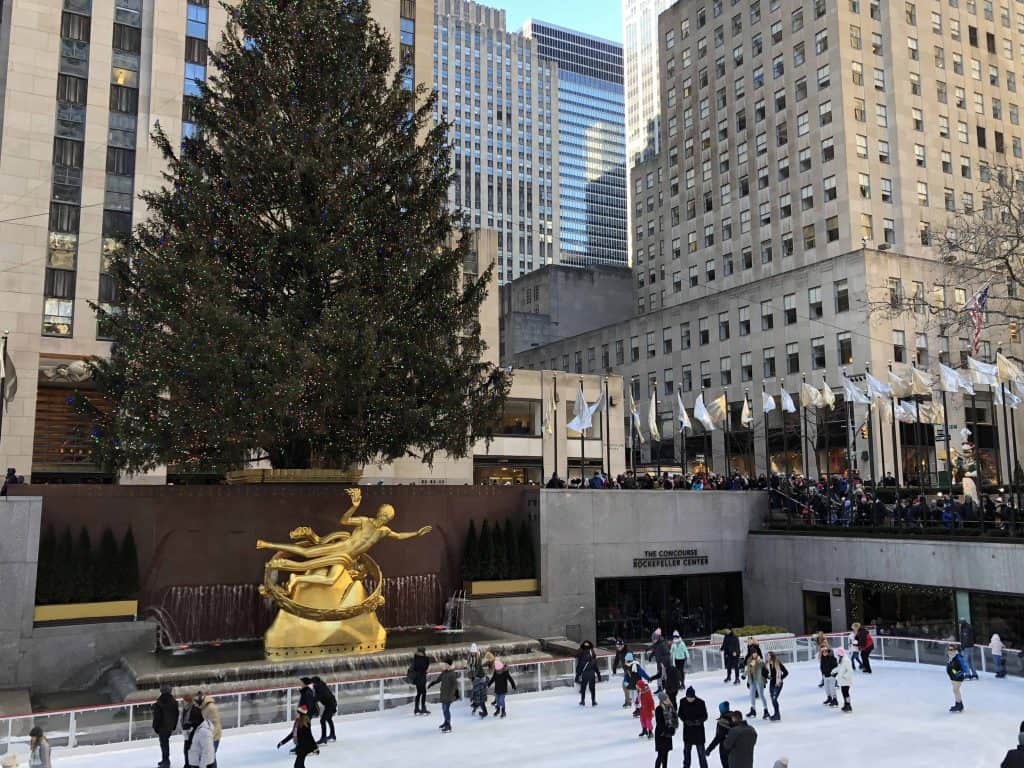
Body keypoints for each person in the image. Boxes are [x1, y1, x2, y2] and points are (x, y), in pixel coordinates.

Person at [427, 656, 459, 733]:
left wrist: (453, 694)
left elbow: (455, 685)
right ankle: (445, 722)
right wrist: (432, 683)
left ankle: (448, 726)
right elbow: (439, 679)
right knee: (444, 709)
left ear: (448, 665)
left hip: (448, 695)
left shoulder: (452, 674)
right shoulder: (444, 672)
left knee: (446, 710)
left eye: (445, 664)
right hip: (444, 693)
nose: (443, 666)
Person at [679, 686, 709, 768]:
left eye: (691, 698)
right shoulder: (682, 702)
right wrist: (685, 720)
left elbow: (705, 716)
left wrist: (698, 721)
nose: (689, 699)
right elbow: (680, 714)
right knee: (686, 753)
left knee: (701, 754)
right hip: (687, 732)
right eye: (688, 697)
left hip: (698, 732)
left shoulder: (701, 702)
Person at [152, 683, 178, 768]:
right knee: (165, 744)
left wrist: (155, 727)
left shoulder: (159, 702)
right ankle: (165, 760)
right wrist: (174, 725)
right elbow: (176, 714)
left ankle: (166, 761)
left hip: (162, 727)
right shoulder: (174, 702)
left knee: (164, 744)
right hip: (169, 726)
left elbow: (157, 717)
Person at [705, 702, 733, 768]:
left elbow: (718, 738)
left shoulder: (722, 722)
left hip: (725, 749)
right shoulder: (735, 718)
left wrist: (709, 749)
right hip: (736, 748)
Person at [654, 692, 677, 768]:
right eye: (665, 699)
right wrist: (666, 731)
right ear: (662, 700)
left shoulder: (671, 707)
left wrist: (672, 729)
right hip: (661, 734)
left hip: (668, 735)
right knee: (660, 755)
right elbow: (659, 723)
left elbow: (674, 719)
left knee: (666, 755)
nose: (667, 700)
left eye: (667, 698)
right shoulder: (659, 709)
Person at [575, 640, 602, 706]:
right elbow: (596, 666)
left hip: (584, 673)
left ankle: (582, 701)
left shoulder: (581, 655)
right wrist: (598, 675)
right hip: (591, 673)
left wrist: (577, 675)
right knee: (592, 688)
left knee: (583, 687)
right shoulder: (592, 655)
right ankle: (593, 701)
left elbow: (579, 666)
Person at [180, 692, 204, 766]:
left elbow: (200, 722)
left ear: (188, 702)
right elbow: (183, 720)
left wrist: (192, 728)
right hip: (187, 734)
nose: (182, 702)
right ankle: (187, 764)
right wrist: (184, 729)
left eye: (184, 701)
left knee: (192, 751)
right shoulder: (184, 709)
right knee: (186, 750)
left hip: (194, 734)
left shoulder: (195, 710)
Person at [311, 676, 337, 743]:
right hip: (331, 704)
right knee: (328, 719)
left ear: (315, 682)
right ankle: (332, 734)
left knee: (322, 720)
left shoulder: (320, 687)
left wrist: (312, 700)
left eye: (313, 683)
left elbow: (319, 697)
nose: (312, 684)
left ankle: (323, 738)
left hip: (330, 705)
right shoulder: (320, 685)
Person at [744, 652, 769, 720]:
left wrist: (767, 677)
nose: (754, 655)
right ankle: (753, 710)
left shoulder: (760, 661)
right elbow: (749, 669)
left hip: (759, 680)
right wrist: (744, 675)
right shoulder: (750, 660)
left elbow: (765, 669)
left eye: (755, 653)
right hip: (752, 680)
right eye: (753, 653)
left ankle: (766, 710)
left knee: (761, 695)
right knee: (752, 695)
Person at [624, 652, 650, 716]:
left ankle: (640, 709)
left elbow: (642, 672)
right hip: (631, 685)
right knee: (633, 698)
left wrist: (648, 678)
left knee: (637, 697)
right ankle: (637, 709)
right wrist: (625, 681)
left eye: (626, 659)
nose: (625, 660)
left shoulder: (636, 665)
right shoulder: (627, 666)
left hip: (637, 684)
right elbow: (626, 675)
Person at [765, 652, 788, 721]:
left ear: (771, 656)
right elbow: (764, 673)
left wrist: (780, 678)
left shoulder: (778, 664)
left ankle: (777, 715)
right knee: (773, 699)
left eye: (768, 656)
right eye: (766, 656)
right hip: (772, 684)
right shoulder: (767, 664)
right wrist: (767, 676)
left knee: (774, 698)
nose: (767, 657)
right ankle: (776, 714)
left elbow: (786, 672)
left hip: (778, 684)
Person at [410, 646, 431, 715]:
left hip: (417, 679)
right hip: (421, 678)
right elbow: (425, 667)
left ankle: (416, 708)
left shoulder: (415, 658)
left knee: (419, 693)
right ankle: (423, 708)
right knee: (423, 693)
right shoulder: (424, 659)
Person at [612, 640, 633, 708]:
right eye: (617, 646)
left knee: (625, 685)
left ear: (623, 645)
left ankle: (629, 701)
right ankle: (629, 700)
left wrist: (628, 671)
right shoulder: (618, 651)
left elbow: (630, 662)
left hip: (631, 670)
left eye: (620, 646)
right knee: (626, 686)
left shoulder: (628, 651)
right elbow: (616, 659)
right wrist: (614, 669)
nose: (618, 648)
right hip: (626, 670)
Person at [832, 647, 854, 712]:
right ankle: (846, 704)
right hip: (843, 681)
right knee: (844, 693)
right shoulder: (842, 660)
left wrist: (844, 677)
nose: (837, 656)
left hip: (846, 681)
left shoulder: (846, 661)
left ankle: (848, 705)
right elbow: (839, 668)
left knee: (846, 693)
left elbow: (850, 671)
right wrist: (833, 671)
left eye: (838, 655)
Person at [946, 644, 967, 712]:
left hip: (958, 678)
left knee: (955, 690)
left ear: (955, 650)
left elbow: (965, 669)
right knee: (955, 691)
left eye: (951, 649)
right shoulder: (950, 657)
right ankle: (958, 704)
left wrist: (957, 674)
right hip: (953, 678)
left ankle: (959, 705)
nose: (949, 651)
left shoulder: (958, 658)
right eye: (949, 649)